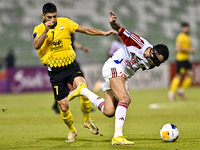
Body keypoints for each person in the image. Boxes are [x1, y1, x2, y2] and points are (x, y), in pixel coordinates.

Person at [68, 11, 169, 145]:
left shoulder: (151, 63)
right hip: (114, 66)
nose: (155, 64)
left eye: (158, 63)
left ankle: (83, 91)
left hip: (121, 75)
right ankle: (117, 136)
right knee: (125, 98)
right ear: (151, 51)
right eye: (155, 59)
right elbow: (121, 30)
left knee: (109, 111)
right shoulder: (138, 43)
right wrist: (113, 23)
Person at [32, 2, 116, 142]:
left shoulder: (65, 22)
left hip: (71, 67)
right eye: (49, 17)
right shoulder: (39, 29)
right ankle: (72, 130)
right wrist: (46, 31)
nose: (52, 20)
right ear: (43, 16)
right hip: (55, 73)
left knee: (83, 88)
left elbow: (85, 30)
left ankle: (87, 121)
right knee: (63, 106)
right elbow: (36, 45)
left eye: (54, 16)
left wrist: (103, 33)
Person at [52, 34, 92, 114]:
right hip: (63, 61)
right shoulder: (61, 32)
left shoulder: (70, 31)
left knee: (81, 81)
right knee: (63, 86)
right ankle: (57, 105)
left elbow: (74, 43)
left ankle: (84, 104)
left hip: (71, 61)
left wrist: (83, 48)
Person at [168, 22, 195, 101]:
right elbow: (178, 48)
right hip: (181, 59)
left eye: (187, 27)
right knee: (178, 76)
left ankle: (180, 90)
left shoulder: (188, 37)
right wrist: (189, 50)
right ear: (182, 28)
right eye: (185, 27)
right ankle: (171, 93)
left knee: (191, 74)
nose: (186, 29)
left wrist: (190, 50)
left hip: (186, 60)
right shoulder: (181, 37)